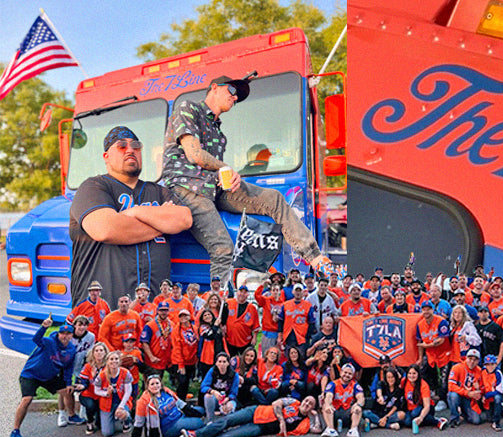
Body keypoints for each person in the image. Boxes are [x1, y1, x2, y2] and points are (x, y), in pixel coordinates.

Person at [160, 75, 333, 287]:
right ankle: (222, 306)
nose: (235, 98)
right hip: (186, 188)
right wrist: (225, 168)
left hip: (213, 187)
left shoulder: (219, 134)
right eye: (232, 92)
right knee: (222, 248)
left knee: (274, 199)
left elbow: (214, 169)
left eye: (238, 97)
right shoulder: (188, 108)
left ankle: (316, 258)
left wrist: (229, 180)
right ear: (214, 88)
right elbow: (195, 154)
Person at [70, 126, 192, 310]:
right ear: (106, 157)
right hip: (101, 315)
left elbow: (184, 219)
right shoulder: (93, 187)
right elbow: (106, 229)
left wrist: (135, 212)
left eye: (136, 146)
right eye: (121, 146)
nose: (130, 150)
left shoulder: (158, 192)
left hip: (152, 315)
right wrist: (163, 222)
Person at [10, 318, 76, 437]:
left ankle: (72, 416)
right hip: (31, 374)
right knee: (27, 399)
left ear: (72, 335)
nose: (65, 336)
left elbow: (68, 368)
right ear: (58, 334)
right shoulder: (49, 341)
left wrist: (68, 383)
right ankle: (15, 430)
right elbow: (36, 339)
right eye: (62, 333)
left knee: (68, 391)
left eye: (68, 334)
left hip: (48, 377)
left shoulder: (71, 350)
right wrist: (44, 328)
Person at [178, 396, 320, 437]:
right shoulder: (293, 402)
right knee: (227, 421)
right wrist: (282, 420)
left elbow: (317, 430)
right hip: (256, 412)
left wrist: (317, 416)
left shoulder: (305, 423)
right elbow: (277, 403)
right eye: (306, 401)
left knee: (230, 436)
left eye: (310, 404)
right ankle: (196, 435)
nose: (307, 404)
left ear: (312, 408)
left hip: (260, 429)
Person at [120, 374, 205, 437]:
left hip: (179, 414)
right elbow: (139, 422)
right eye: (152, 384)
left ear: (161, 384)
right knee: (199, 423)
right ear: (147, 386)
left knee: (201, 410)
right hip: (169, 425)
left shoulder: (166, 391)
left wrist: (196, 413)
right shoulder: (143, 401)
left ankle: (190, 423)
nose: (155, 386)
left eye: (157, 383)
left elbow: (181, 404)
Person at [416, 300, 451, 411]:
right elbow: (419, 344)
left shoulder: (441, 321)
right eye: (424, 309)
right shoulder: (420, 324)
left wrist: (427, 345)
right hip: (431, 355)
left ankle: (443, 400)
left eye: (428, 309)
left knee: (444, 379)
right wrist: (420, 358)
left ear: (433, 309)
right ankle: (432, 394)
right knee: (424, 373)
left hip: (444, 354)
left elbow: (441, 340)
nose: (426, 311)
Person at [63, 315, 94, 426]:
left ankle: (83, 410)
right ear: (74, 325)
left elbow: (89, 354)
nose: (82, 327)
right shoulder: (69, 336)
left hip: (81, 366)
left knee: (83, 388)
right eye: (80, 324)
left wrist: (87, 367)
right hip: (68, 366)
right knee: (66, 391)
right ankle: (64, 414)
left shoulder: (90, 337)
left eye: (85, 325)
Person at [321, 363, 365, 437]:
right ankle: (330, 429)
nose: (347, 375)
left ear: (352, 375)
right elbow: (328, 396)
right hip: (335, 411)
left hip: (348, 412)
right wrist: (328, 404)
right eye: (345, 372)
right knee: (325, 405)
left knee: (358, 408)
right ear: (341, 372)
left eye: (350, 374)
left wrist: (358, 404)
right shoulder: (333, 384)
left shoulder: (355, 385)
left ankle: (353, 430)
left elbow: (361, 397)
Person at [94, 351, 133, 437]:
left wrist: (121, 406)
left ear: (119, 361)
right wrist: (106, 393)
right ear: (107, 361)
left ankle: (126, 421)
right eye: (111, 359)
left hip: (121, 401)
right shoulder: (102, 375)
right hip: (107, 404)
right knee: (107, 433)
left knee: (123, 413)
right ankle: (111, 420)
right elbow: (96, 390)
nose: (114, 361)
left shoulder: (125, 373)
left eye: (116, 359)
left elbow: (128, 391)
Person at [400, 365, 449, 430]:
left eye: (414, 373)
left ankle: (437, 421)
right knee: (408, 423)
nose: (411, 376)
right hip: (410, 408)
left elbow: (427, 406)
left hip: (424, 408)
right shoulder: (404, 381)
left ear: (418, 374)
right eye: (409, 373)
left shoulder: (424, 385)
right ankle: (429, 419)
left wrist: (421, 417)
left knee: (415, 414)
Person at [77, 342, 108, 435]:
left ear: (105, 352)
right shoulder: (88, 366)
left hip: (103, 395)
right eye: (96, 350)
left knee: (101, 425)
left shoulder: (109, 366)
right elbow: (84, 381)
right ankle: (89, 422)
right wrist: (82, 386)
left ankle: (101, 419)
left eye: (101, 350)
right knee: (90, 406)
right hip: (88, 394)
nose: (99, 353)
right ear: (93, 353)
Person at [278, 284, 317, 358]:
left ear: (303, 292)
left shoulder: (308, 305)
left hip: (302, 337)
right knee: (289, 357)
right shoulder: (286, 305)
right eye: (296, 291)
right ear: (293, 292)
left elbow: (312, 323)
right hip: (288, 335)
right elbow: (280, 321)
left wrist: (307, 336)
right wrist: (280, 336)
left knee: (301, 358)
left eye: (300, 291)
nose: (298, 293)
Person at [447, 349, 483, 426]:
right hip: (458, 395)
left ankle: (464, 412)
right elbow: (451, 386)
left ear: (478, 361)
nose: (472, 362)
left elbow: (482, 389)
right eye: (470, 359)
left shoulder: (480, 371)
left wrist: (478, 390)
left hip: (469, 399)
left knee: (476, 421)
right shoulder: (456, 367)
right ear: (466, 358)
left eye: (475, 360)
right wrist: (467, 393)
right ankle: (454, 418)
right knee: (452, 395)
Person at [221, 285, 260, 357]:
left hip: (245, 339)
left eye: (245, 292)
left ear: (248, 295)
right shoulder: (228, 303)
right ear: (237, 292)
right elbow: (222, 316)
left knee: (245, 360)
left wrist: (254, 338)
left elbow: (256, 325)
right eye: (240, 291)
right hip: (230, 338)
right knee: (231, 359)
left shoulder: (252, 308)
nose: (242, 294)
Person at [201, 352, 240, 422]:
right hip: (215, 398)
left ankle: (227, 422)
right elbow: (203, 386)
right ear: (216, 363)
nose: (222, 364)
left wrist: (227, 399)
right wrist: (213, 392)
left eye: (224, 362)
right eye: (220, 362)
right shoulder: (212, 371)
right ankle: (210, 420)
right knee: (207, 396)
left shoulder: (234, 375)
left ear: (228, 363)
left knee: (230, 406)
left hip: (227, 399)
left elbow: (234, 393)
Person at [171, 309, 199, 400]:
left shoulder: (194, 328)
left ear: (190, 317)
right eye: (181, 316)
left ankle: (183, 401)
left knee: (186, 383)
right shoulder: (176, 330)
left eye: (185, 315)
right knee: (182, 382)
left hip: (191, 361)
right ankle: (179, 402)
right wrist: (181, 365)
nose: (183, 318)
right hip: (179, 361)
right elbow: (177, 348)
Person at [140, 301, 173, 377]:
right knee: (151, 384)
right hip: (153, 361)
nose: (163, 312)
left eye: (165, 310)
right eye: (161, 310)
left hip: (167, 360)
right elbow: (144, 343)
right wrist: (151, 357)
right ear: (157, 311)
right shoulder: (150, 325)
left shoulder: (172, 325)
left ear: (168, 311)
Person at [197, 308, 226, 377]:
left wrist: (225, 305)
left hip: (218, 350)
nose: (207, 316)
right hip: (208, 355)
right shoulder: (202, 327)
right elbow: (210, 335)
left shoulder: (217, 324)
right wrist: (215, 326)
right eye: (205, 315)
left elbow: (224, 316)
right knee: (207, 373)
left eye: (209, 314)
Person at [481, 354, 503, 431]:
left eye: (492, 364)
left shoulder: (498, 373)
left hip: (494, 395)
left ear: (496, 364)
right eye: (488, 364)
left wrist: (486, 396)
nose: (490, 366)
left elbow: (500, 390)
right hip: (486, 398)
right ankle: (501, 410)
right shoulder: (482, 372)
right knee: (489, 419)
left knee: (498, 398)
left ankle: (496, 423)